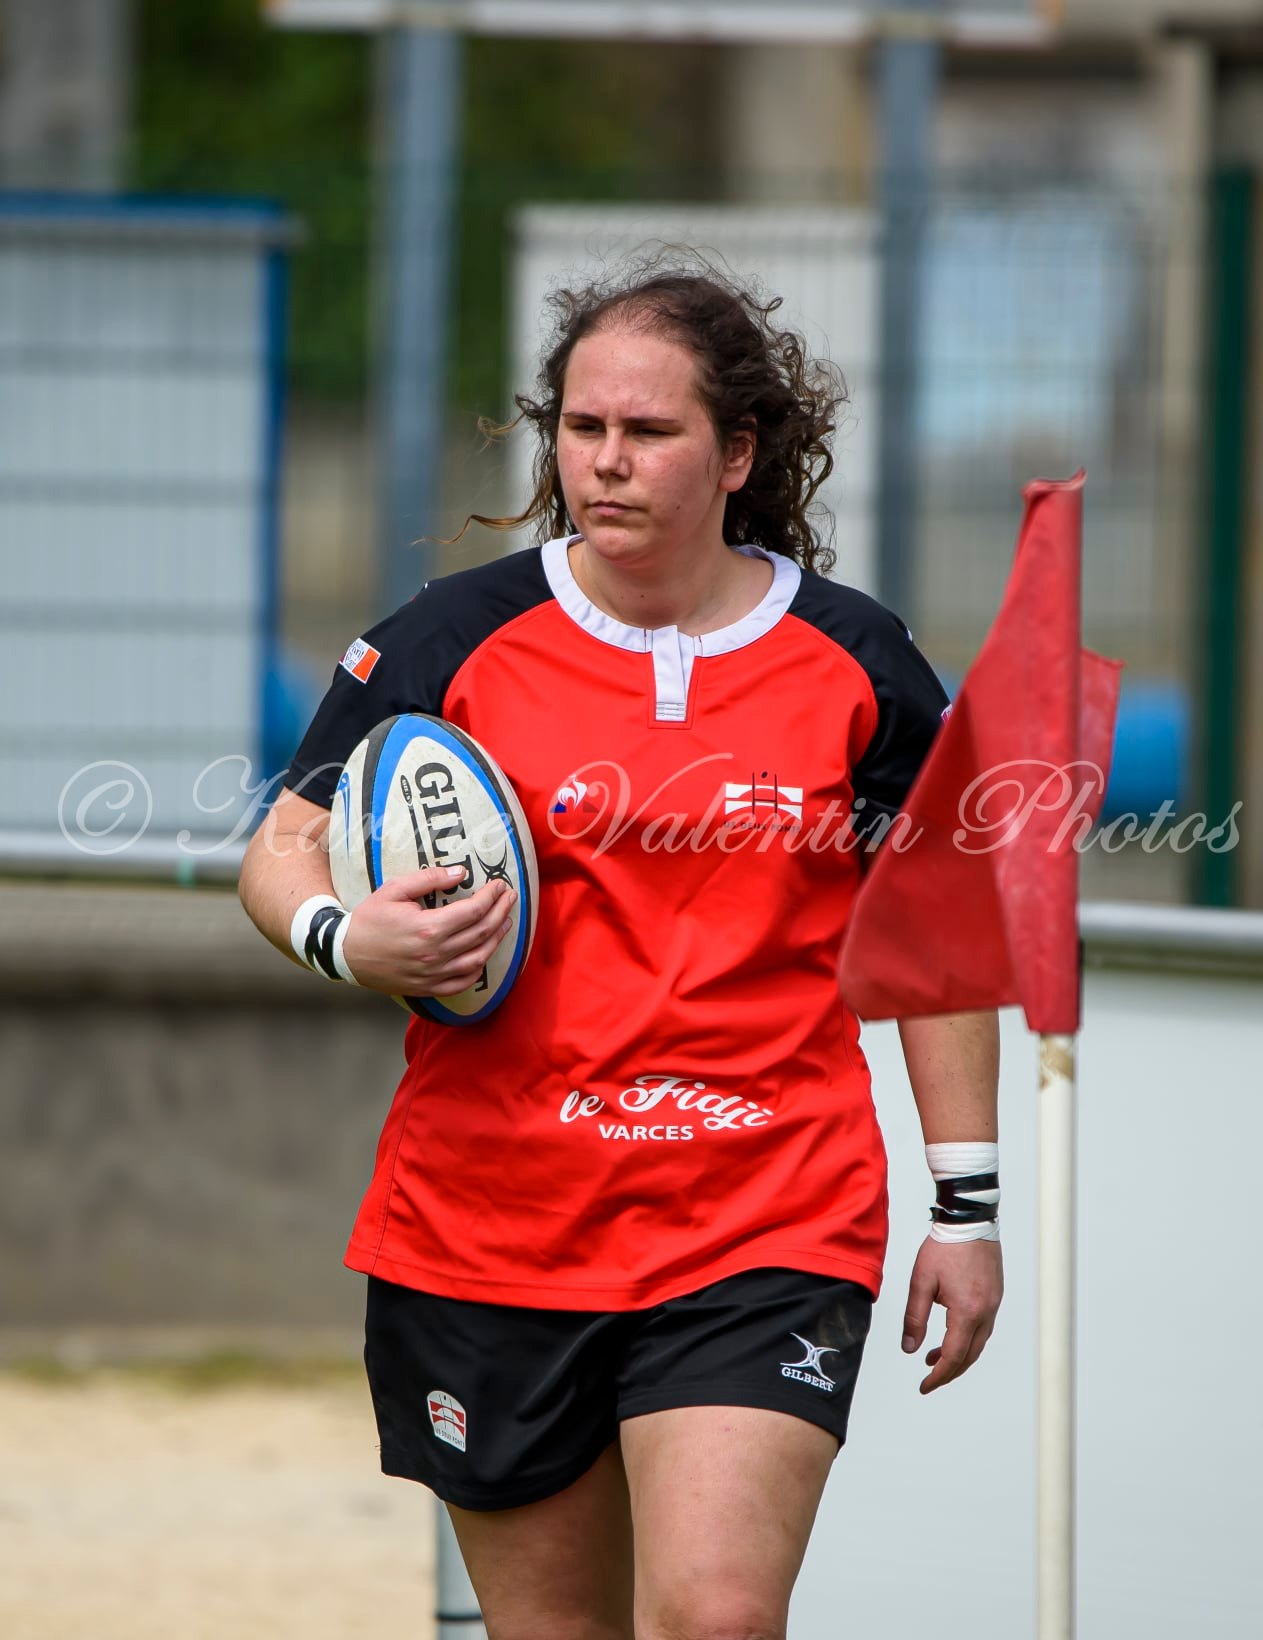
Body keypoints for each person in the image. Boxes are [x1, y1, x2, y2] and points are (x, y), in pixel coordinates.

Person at [238, 260, 1003, 1640]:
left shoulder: (858, 660)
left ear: (738, 453)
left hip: (762, 1209)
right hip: (489, 1224)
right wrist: (350, 938)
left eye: (647, 433)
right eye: (581, 429)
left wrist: (968, 1207)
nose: (605, 461)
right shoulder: (452, 637)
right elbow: (277, 850)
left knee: (715, 1613)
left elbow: (939, 943)